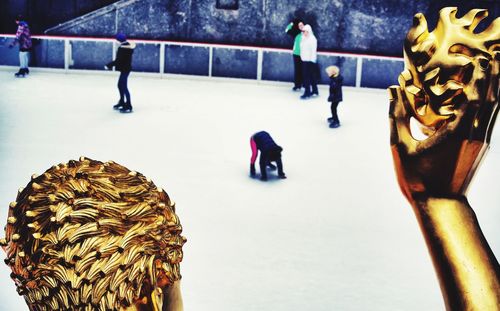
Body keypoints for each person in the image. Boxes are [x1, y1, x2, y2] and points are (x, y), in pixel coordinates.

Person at [105, 33, 136, 113]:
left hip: (125, 69)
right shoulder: (126, 46)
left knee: (123, 86)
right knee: (120, 85)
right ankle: (122, 101)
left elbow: (118, 60)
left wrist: (109, 65)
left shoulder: (123, 48)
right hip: (125, 68)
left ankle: (128, 105)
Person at [299, 25, 319, 99]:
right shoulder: (303, 38)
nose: (304, 33)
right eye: (303, 31)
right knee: (310, 76)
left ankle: (307, 93)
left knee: (307, 77)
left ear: (309, 31)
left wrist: (312, 61)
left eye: (306, 31)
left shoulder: (312, 39)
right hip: (304, 60)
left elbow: (313, 51)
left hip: (310, 61)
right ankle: (314, 91)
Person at [285, 19, 304, 91]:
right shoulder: (296, 34)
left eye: (302, 25)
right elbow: (286, 30)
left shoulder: (307, 33)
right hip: (296, 54)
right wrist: (291, 23)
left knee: (304, 70)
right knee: (297, 70)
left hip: (305, 55)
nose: (301, 26)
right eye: (299, 25)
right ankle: (297, 85)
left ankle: (304, 84)